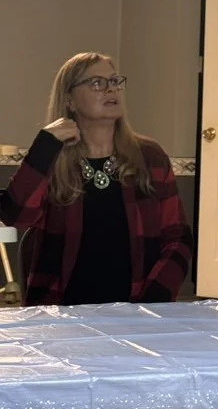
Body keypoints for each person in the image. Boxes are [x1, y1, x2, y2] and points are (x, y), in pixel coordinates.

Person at [0, 52, 193, 306]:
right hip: (62, 314)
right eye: (96, 83)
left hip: (138, 308)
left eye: (114, 81)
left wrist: (152, 301)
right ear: (69, 99)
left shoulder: (149, 156)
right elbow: (16, 215)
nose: (110, 89)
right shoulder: (53, 158)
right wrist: (44, 145)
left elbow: (177, 237)